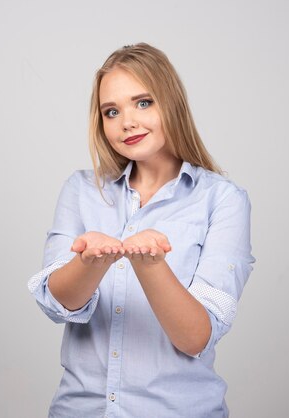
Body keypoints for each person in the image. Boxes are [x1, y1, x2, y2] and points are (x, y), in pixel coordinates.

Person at [28, 43, 255, 418]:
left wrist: (150, 265)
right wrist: (91, 261)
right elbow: (57, 303)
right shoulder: (82, 191)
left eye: (143, 102)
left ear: (172, 103)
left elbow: (196, 337)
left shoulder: (223, 200)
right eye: (111, 111)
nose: (127, 122)